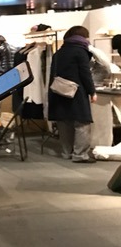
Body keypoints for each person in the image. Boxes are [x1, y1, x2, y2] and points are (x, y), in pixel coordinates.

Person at [48, 26, 97, 163]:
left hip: (58, 91)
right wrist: (92, 91)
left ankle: (66, 152)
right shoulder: (80, 51)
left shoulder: (58, 53)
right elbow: (85, 74)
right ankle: (80, 154)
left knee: (64, 122)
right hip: (76, 91)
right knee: (82, 123)